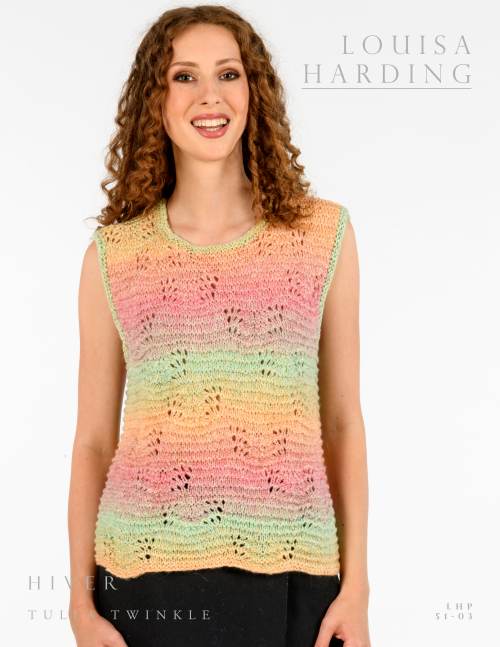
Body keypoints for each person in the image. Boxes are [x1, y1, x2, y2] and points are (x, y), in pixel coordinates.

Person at [67, 5, 370, 647]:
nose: (210, 96)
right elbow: (93, 441)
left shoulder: (324, 237)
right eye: (184, 76)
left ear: (254, 91)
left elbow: (343, 420)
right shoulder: (114, 258)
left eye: (228, 73)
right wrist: (79, 606)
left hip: (296, 579)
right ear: (155, 100)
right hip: (144, 588)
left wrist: (358, 587)